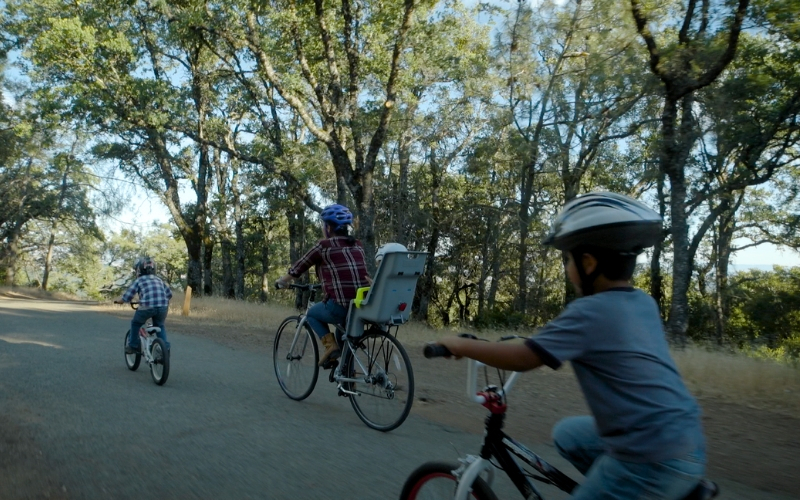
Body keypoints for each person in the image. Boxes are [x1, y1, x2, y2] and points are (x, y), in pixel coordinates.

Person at [433, 192, 707, 500]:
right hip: (685, 439)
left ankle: (633, 488)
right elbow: (553, 344)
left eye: (567, 258)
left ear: (588, 263)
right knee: (569, 435)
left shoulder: (589, 312)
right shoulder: (641, 302)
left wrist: (461, 345)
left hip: (648, 458)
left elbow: (525, 357)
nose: (566, 266)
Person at [276, 204, 371, 366]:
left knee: (311, 314)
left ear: (328, 227)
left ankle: (330, 347)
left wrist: (281, 281)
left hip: (341, 307)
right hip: (362, 306)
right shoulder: (358, 244)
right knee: (344, 337)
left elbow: (299, 268)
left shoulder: (324, 246)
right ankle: (349, 382)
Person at [114, 256, 173, 354]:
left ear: (139, 270)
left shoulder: (139, 280)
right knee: (160, 325)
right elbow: (169, 294)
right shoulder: (159, 280)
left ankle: (133, 346)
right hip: (163, 307)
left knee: (136, 323)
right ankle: (165, 348)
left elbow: (128, 295)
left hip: (147, 307)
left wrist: (121, 301)